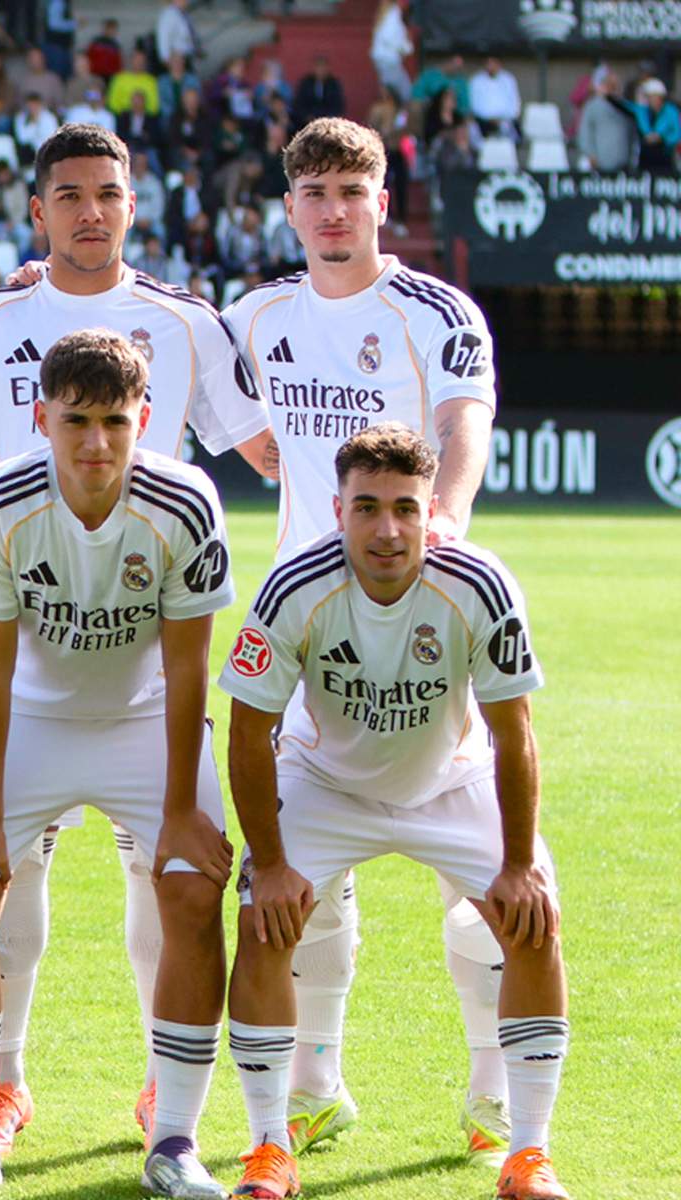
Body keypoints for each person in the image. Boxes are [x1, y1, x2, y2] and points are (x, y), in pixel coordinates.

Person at [0, 122, 272, 1155]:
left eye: (106, 193)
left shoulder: (185, 323)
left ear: (132, 205)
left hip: (144, 661)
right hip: (30, 650)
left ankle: (169, 1110)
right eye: (67, 195)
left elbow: (263, 444)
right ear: (37, 210)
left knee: (168, 876)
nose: (89, 211)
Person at [223, 115, 511, 1164]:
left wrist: (448, 522)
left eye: (352, 192)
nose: (333, 211)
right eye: (314, 193)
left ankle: (494, 1100)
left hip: (424, 608)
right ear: (289, 208)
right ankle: (313, 1089)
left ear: (381, 202)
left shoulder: (435, 311)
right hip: (305, 625)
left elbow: (463, 421)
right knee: (304, 879)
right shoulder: (255, 315)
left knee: (478, 872)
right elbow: (176, 359)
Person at [218, 423, 570, 1200]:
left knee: (534, 919)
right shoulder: (294, 587)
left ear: (429, 509)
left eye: (406, 508)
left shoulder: (478, 583)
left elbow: (514, 733)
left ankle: (529, 1153)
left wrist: (519, 865)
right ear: (337, 510)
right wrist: (269, 865)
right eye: (368, 507)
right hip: (325, 781)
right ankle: (269, 1148)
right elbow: (247, 732)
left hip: (451, 780)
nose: (387, 530)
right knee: (261, 920)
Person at [0, 329, 236, 1200]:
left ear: (145, 419)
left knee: (192, 887)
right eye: (76, 421)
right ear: (41, 419)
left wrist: (181, 813)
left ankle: (174, 1142)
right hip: (29, 716)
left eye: (115, 422)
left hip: (145, 718)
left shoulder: (185, 500)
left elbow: (188, 666)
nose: (97, 442)